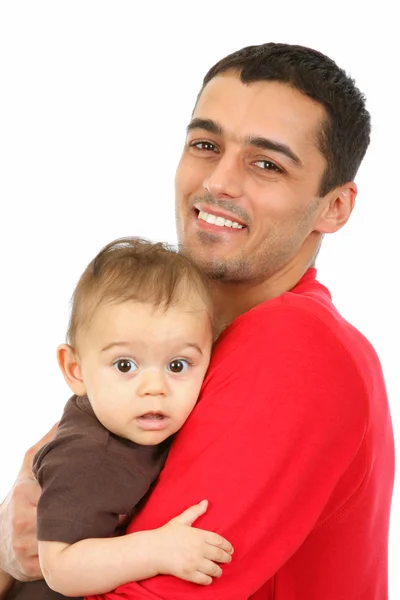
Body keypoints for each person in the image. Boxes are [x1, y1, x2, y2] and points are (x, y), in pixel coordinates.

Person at [0, 42, 395, 599]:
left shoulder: (300, 347)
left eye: (267, 164)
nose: (219, 183)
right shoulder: (170, 335)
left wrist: (31, 553)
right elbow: (36, 502)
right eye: (206, 145)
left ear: (334, 206)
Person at [3, 237, 234, 599]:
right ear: (75, 369)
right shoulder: (89, 457)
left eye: (178, 365)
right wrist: (159, 550)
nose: (155, 387)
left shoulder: (133, 421)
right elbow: (59, 566)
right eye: (125, 365)